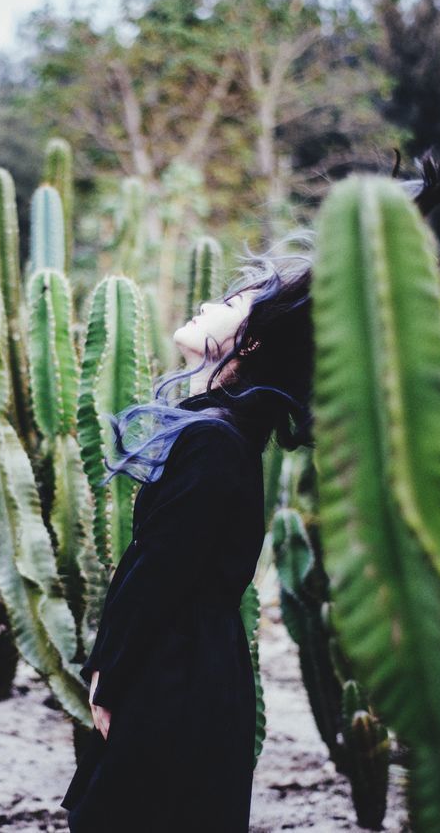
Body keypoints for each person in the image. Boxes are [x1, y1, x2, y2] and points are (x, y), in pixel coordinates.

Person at [61, 244, 313, 833]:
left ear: (251, 342)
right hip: (191, 667)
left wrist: (112, 675)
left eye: (230, 302)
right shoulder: (228, 434)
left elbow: (158, 570)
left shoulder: (213, 441)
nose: (206, 303)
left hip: (175, 676)